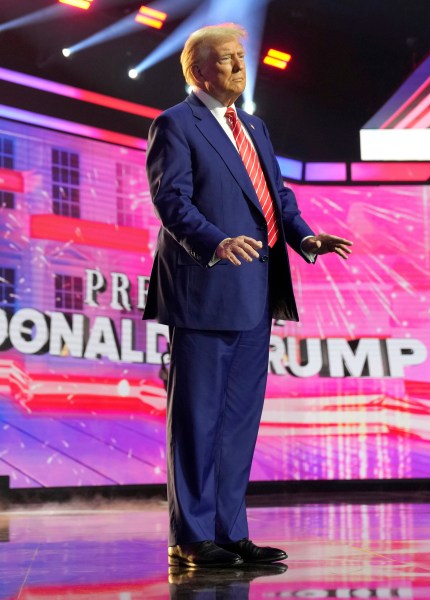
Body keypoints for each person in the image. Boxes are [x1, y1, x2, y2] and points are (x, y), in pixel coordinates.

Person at [143, 23, 352, 569]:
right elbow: (172, 201)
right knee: (196, 421)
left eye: (242, 58)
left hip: (256, 293)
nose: (240, 67)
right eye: (230, 60)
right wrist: (215, 241)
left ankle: (230, 532)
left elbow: (275, 196)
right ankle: (190, 537)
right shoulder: (175, 124)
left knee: (238, 422)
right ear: (199, 71)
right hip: (205, 289)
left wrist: (305, 236)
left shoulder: (253, 126)